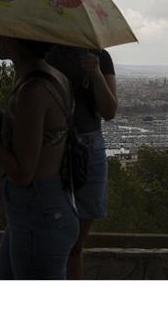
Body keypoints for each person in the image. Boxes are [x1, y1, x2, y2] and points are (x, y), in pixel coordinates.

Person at [0, 35, 78, 279]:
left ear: (14, 41)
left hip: (38, 212)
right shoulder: (55, 78)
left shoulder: (33, 91)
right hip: (43, 208)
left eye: (1, 32)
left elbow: (23, 173)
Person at [45, 45, 117, 279]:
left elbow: (109, 111)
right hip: (55, 145)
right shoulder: (45, 53)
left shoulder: (99, 57)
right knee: (55, 240)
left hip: (87, 144)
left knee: (75, 244)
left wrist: (95, 74)